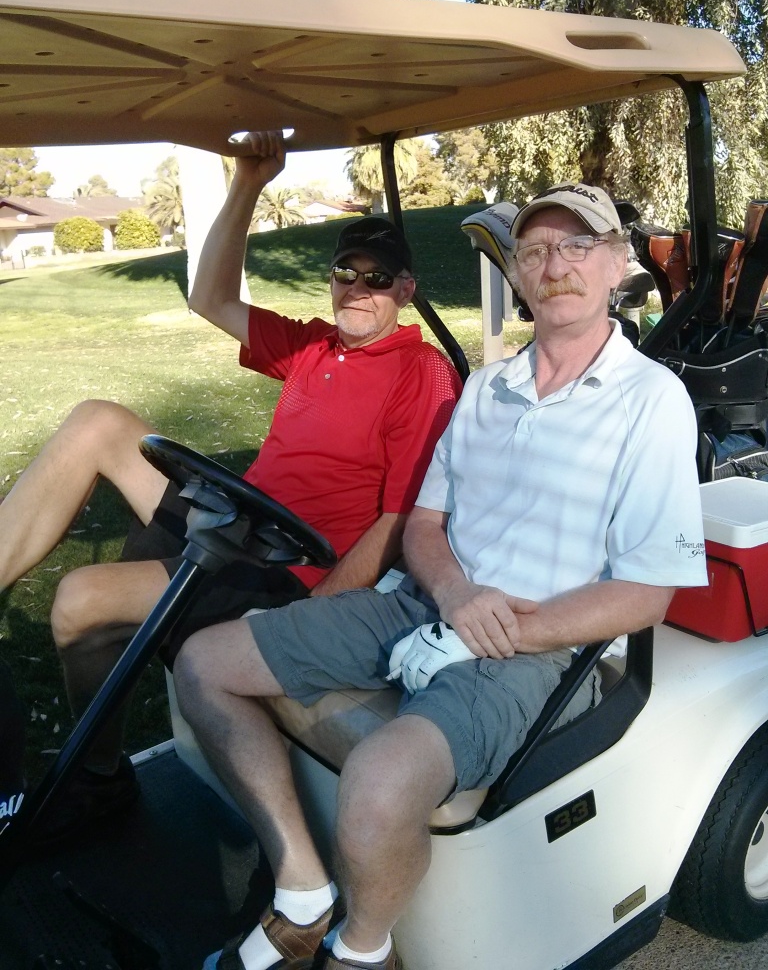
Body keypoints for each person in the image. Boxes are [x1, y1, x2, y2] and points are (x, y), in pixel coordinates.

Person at [174, 181, 709, 970]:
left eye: (578, 245)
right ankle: (302, 891)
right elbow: (424, 525)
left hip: (541, 649)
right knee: (204, 663)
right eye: (535, 250)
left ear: (616, 263)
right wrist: (456, 595)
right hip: (429, 602)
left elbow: (646, 594)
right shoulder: (489, 387)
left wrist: (502, 627)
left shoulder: (652, 402)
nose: (555, 264)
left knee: (378, 781)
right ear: (517, 274)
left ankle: (363, 950)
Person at [0, 130, 461, 844]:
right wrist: (249, 180)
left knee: (80, 601)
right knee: (97, 421)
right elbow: (209, 296)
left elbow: (398, 521)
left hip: (284, 572)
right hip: (234, 521)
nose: (358, 288)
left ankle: (98, 779)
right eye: (346, 271)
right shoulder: (313, 345)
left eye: (378, 278)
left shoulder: (420, 373)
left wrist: (313, 618)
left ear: (406, 290)